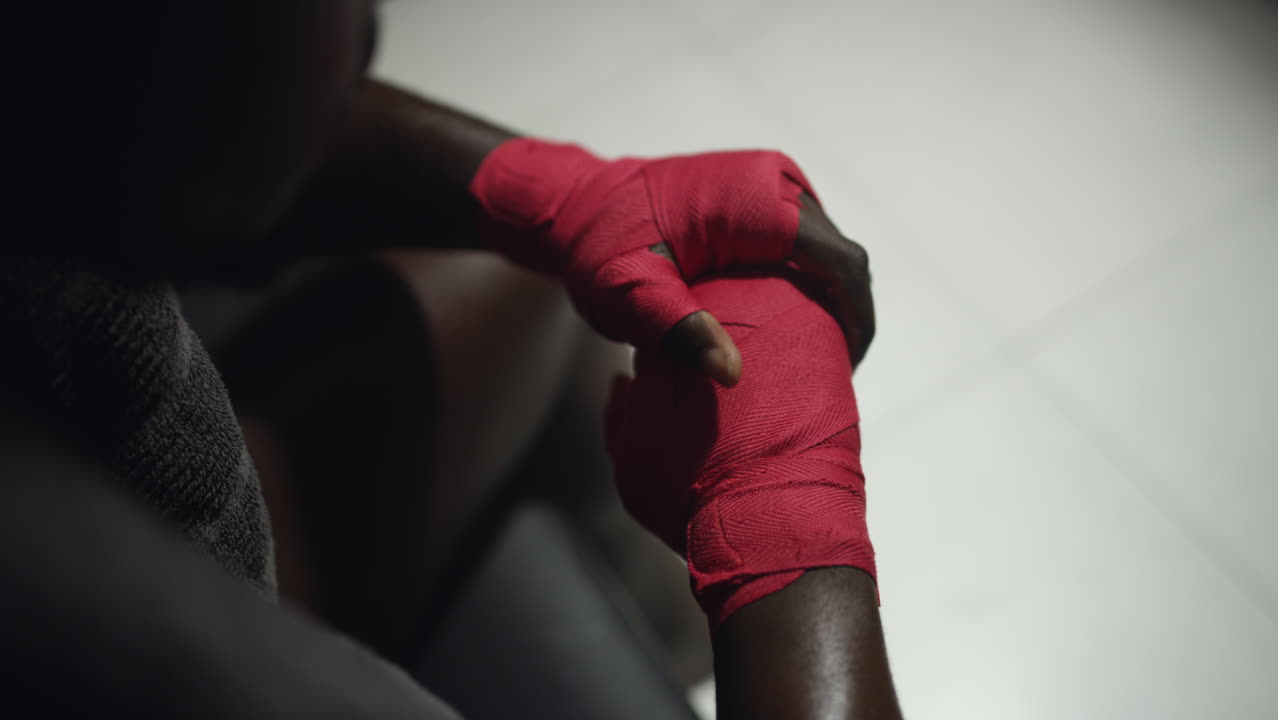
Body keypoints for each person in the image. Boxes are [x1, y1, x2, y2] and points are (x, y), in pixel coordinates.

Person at [3, 2, 901, 718]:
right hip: (227, 609)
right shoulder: (94, 628)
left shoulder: (53, 134)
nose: (371, 33)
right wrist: (783, 515)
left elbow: (174, 116)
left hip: (141, 467)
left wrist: (560, 193)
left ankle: (659, 621)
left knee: (520, 278)